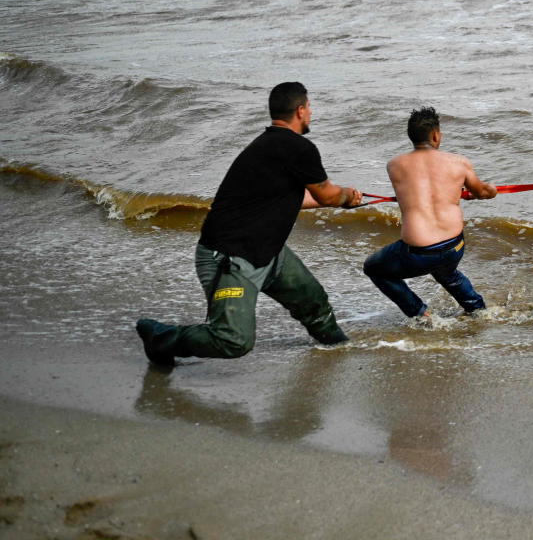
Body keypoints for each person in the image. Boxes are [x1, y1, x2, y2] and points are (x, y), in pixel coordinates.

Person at [135, 82, 363, 367]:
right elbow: (327, 194)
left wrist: (338, 198)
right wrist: (346, 196)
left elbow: (292, 198)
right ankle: (161, 338)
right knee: (233, 340)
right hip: (229, 256)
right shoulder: (298, 148)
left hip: (267, 252)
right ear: (301, 110)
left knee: (314, 303)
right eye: (309, 108)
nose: (311, 113)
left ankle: (341, 351)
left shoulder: (267, 145)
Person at [362, 106, 497, 322]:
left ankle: (420, 313)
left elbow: (417, 191)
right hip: (454, 247)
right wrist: (491, 188)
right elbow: (482, 192)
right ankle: (479, 311)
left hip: (418, 255)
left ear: (411, 136)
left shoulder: (394, 165)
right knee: (446, 272)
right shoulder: (459, 162)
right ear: (435, 135)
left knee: (374, 268)